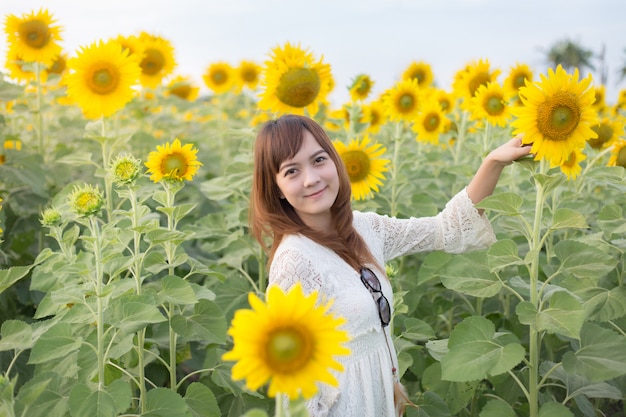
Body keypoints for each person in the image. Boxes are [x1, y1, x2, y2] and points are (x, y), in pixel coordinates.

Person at [249, 114, 531, 417]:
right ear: (276, 187)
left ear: (334, 161)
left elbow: (446, 229)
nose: (311, 178)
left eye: (318, 160)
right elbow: (295, 389)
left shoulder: (366, 229)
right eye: (292, 171)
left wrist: (493, 163)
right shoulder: (295, 262)